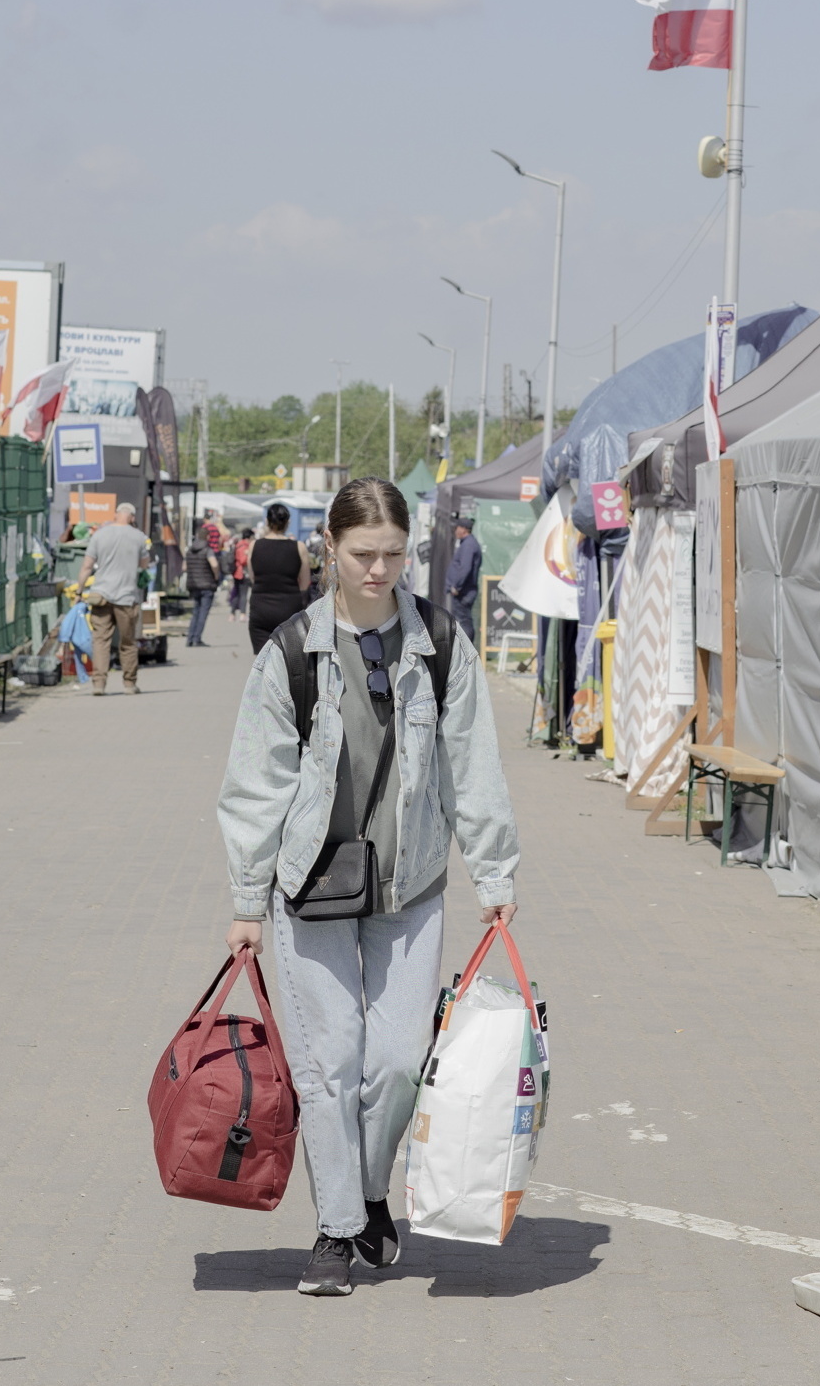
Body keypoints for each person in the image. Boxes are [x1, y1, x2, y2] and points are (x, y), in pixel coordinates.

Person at [214, 477, 522, 1296]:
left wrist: (494, 869)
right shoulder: (292, 651)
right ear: (330, 548)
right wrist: (247, 901)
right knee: (331, 1061)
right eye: (362, 554)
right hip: (309, 883)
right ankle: (335, 1227)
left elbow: (473, 764)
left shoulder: (441, 644)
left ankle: (371, 1191)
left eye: (392, 553)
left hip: (409, 883)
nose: (379, 570)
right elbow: (254, 784)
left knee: (395, 1061)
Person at [83, 501, 151, 695]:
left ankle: (99, 684)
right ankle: (129, 684)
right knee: (128, 642)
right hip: (126, 598)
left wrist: (79, 590)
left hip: (101, 595)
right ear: (132, 517)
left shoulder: (99, 534)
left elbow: (87, 566)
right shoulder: (139, 537)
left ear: (115, 515)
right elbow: (144, 565)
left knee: (100, 641)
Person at [243, 502, 311, 657]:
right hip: (289, 610)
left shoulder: (254, 545)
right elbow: (304, 583)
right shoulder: (299, 547)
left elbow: (253, 577)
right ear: (288, 522)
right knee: (289, 660)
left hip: (260, 609)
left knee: (262, 661)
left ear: (267, 521)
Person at [185, 515, 225, 646]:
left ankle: (190, 638)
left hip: (193, 584)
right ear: (207, 537)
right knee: (203, 612)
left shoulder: (190, 550)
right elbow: (214, 564)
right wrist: (216, 576)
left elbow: (184, 567)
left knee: (195, 611)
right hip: (207, 584)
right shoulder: (208, 550)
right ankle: (197, 639)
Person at [444, 516, 483, 639]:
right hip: (463, 591)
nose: (455, 530)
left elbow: (465, 567)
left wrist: (456, 586)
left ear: (464, 529)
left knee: (464, 621)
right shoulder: (467, 543)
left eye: (457, 528)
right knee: (462, 620)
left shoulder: (468, 545)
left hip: (463, 592)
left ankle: (467, 649)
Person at [229, 527, 254, 617]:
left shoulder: (238, 544)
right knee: (243, 594)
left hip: (237, 573)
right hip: (243, 574)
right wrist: (248, 554)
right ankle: (242, 614)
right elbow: (243, 561)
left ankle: (232, 614)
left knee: (237, 593)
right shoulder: (245, 546)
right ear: (249, 537)